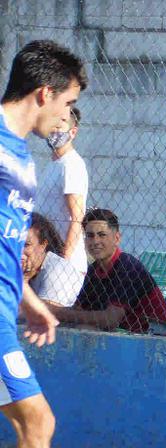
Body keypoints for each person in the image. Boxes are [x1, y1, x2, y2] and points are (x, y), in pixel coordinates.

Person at [0, 39, 116, 448]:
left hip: (3, 314)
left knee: (37, 422)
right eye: (67, 104)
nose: (69, 116)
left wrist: (31, 300)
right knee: (37, 421)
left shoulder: (21, 158)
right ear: (44, 94)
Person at [54, 208, 166, 334]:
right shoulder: (94, 269)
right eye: (90, 236)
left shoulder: (128, 266)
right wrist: (48, 312)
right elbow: (78, 310)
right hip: (122, 336)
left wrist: (58, 312)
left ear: (117, 238)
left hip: (156, 337)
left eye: (102, 235)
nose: (95, 241)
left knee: (85, 330)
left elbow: (110, 319)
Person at [32, 104, 87, 307]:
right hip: (47, 260)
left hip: (63, 264)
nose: (55, 128)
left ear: (73, 132)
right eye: (54, 122)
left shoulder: (71, 165)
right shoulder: (55, 165)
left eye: (62, 123)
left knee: (50, 318)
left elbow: (77, 216)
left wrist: (63, 259)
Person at [21, 212, 62, 284]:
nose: (19, 251)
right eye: (17, 245)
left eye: (26, 245)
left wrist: (22, 279)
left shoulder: (55, 272)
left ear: (43, 244)